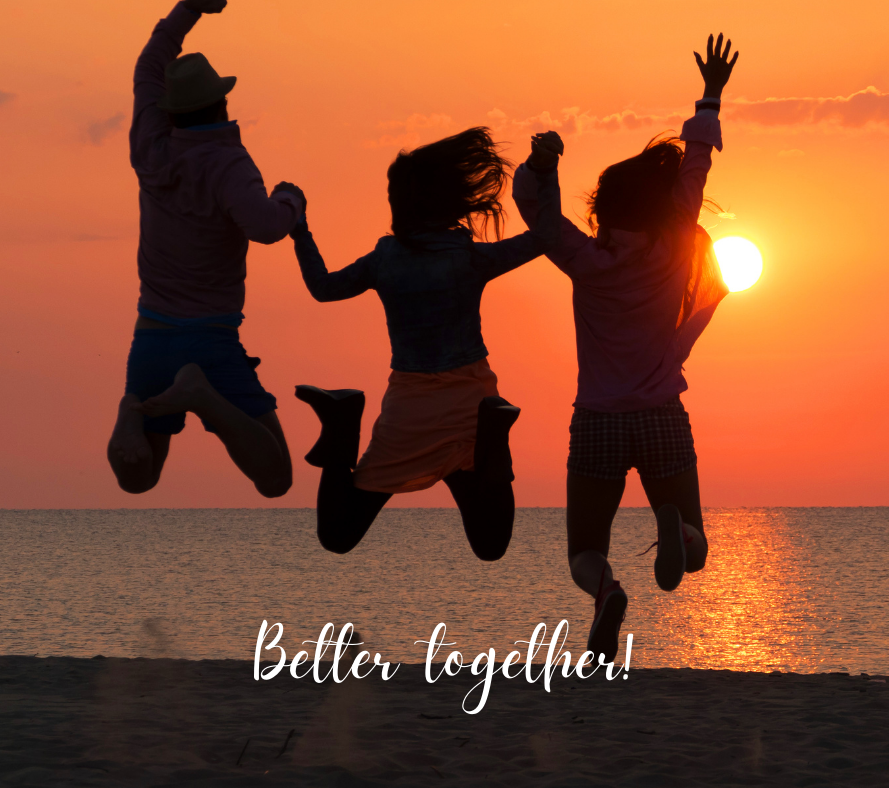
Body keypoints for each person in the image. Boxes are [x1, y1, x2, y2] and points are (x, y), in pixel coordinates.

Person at [513, 34, 738, 661]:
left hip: (598, 422)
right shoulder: (675, 246)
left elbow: (536, 209)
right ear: (662, 206)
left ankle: (608, 590)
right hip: (663, 413)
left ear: (604, 206)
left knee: (584, 548)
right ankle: (679, 529)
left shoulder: (585, 258)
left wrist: (541, 163)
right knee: (695, 552)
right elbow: (697, 163)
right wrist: (710, 95)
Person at [290, 127, 563, 559]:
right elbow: (547, 236)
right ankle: (494, 436)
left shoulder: (387, 259)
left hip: (410, 406)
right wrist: (544, 174)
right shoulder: (468, 258)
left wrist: (300, 230)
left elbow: (323, 288)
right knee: (491, 545)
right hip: (469, 401)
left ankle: (342, 423)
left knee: (337, 535)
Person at [107, 0, 305, 498]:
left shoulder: (151, 148)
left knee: (141, 479)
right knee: (276, 478)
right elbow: (265, 227)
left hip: (150, 336)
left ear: (172, 110)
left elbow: (149, 64)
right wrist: (290, 200)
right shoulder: (228, 163)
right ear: (221, 105)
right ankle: (203, 397)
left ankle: (129, 411)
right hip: (211, 339)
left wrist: (190, 7)